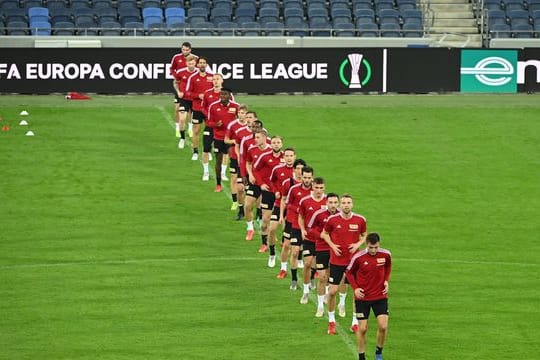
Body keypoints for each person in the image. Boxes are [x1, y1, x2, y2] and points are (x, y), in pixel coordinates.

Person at [321, 194, 367, 335]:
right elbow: (324, 234)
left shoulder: (360, 220)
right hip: (336, 261)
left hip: (353, 262)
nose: (346, 205)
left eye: (348, 203)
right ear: (340, 205)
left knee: (356, 292)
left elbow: (365, 234)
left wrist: (358, 244)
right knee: (333, 291)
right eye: (344, 203)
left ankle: (354, 322)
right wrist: (333, 246)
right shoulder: (332, 220)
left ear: (352, 205)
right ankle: (331, 321)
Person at [345, 233, 391, 360]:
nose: (373, 250)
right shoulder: (358, 257)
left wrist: (386, 281)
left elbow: (388, 267)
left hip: (380, 296)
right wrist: (355, 288)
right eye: (371, 247)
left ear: (379, 244)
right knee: (363, 328)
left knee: (383, 326)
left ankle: (378, 352)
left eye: (376, 247)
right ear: (367, 245)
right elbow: (348, 272)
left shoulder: (386, 255)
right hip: (363, 298)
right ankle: (361, 356)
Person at [307, 192, 340, 317]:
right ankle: (320, 305)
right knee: (322, 278)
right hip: (321, 248)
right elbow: (310, 228)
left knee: (331, 277)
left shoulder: (341, 216)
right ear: (326, 203)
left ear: (338, 203)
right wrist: (319, 235)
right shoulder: (319, 214)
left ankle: (328, 296)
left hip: (335, 250)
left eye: (335, 202)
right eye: (330, 202)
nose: (333, 205)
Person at [281, 166, 314, 290]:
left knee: (311, 258)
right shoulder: (294, 189)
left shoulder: (315, 191)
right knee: (294, 252)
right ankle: (294, 279)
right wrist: (300, 210)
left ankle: (310, 278)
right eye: (305, 177)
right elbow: (288, 203)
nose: (306, 180)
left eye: (309, 178)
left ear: (312, 178)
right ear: (302, 177)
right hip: (295, 225)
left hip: (310, 228)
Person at [298, 177, 327, 304]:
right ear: (312, 187)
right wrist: (302, 230)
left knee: (322, 268)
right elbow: (300, 216)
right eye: (316, 188)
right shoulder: (305, 201)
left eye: (321, 188)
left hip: (323, 242)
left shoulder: (329, 202)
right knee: (307, 263)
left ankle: (324, 291)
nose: (319, 191)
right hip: (309, 238)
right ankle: (305, 291)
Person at [253, 135, 284, 253]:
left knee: (283, 220)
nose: (276, 144)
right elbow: (255, 170)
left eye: (278, 143)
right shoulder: (264, 156)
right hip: (267, 192)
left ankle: (282, 240)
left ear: (281, 144)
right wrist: (261, 184)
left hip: (281, 194)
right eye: (274, 142)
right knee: (265, 220)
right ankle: (264, 242)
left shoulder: (285, 158)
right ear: (271, 144)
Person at [266, 147, 296, 267]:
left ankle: (294, 259)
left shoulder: (299, 172)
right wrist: (275, 191)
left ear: (295, 157)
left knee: (291, 237)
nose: (289, 158)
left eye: (291, 156)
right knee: (272, 229)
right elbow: (271, 181)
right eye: (287, 156)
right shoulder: (277, 169)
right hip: (279, 204)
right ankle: (272, 253)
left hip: (293, 209)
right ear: (284, 157)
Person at [275, 158, 305, 278]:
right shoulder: (288, 183)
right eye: (297, 168)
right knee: (287, 245)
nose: (299, 171)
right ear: (294, 170)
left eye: (301, 169)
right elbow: (283, 200)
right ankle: (283, 268)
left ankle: (304, 263)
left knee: (301, 246)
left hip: (304, 222)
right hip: (291, 220)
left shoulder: (311, 185)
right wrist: (282, 215)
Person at [206, 88, 239, 193]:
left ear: (230, 96)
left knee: (234, 160)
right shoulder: (213, 106)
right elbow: (208, 122)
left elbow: (241, 120)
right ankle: (218, 184)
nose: (223, 96)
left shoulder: (236, 107)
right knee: (218, 161)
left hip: (231, 139)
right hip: (218, 138)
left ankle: (237, 182)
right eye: (222, 94)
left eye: (225, 94)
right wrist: (216, 125)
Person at [185, 56, 213, 174]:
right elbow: (187, 92)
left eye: (204, 63)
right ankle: (195, 151)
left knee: (210, 132)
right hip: (197, 108)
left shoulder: (211, 78)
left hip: (208, 109)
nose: (202, 64)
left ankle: (208, 151)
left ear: (206, 65)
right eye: (200, 63)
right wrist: (198, 96)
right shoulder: (192, 77)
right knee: (196, 131)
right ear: (197, 65)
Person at [244, 129, 271, 241]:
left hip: (268, 185)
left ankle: (269, 233)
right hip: (255, 182)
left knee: (267, 213)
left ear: (265, 138)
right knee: (247, 205)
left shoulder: (271, 150)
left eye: (258, 137)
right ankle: (250, 228)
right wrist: (250, 174)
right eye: (255, 137)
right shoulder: (252, 149)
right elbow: (248, 163)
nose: (255, 140)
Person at [170, 42, 197, 139]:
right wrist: (176, 77)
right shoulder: (176, 57)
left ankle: (190, 128)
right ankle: (178, 128)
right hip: (180, 86)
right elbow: (172, 68)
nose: (184, 51)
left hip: (191, 89)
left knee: (191, 110)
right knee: (177, 108)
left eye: (186, 50)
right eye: (183, 49)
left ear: (190, 50)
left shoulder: (195, 58)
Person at [225, 104, 249, 213]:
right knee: (234, 178)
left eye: (243, 113)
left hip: (247, 158)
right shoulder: (232, 125)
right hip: (235, 156)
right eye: (239, 112)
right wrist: (233, 141)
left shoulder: (251, 126)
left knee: (246, 182)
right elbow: (226, 140)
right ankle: (235, 201)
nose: (240, 115)